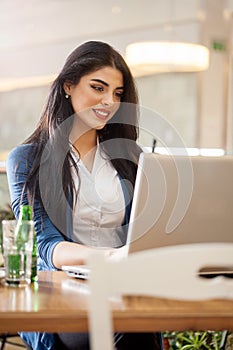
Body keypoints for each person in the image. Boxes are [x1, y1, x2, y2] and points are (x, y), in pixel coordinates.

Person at [6, 41, 163, 350]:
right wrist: (112, 257)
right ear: (68, 85)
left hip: (126, 290)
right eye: (98, 87)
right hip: (62, 296)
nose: (109, 101)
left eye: (117, 94)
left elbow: (147, 234)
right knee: (122, 326)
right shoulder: (26, 159)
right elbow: (46, 246)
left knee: (135, 322)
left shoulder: (131, 158)